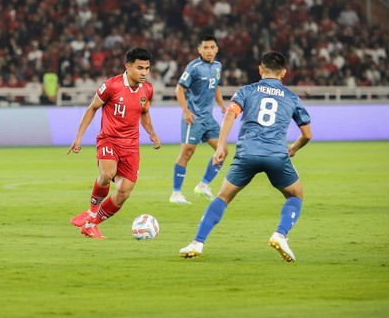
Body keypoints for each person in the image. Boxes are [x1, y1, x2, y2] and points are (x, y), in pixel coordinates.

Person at [179, 51, 312, 262]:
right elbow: (307, 135)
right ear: (284, 73)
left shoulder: (247, 91)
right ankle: (280, 234)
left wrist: (221, 144)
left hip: (247, 153)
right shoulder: (291, 97)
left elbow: (230, 114)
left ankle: (197, 243)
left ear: (260, 69)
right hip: (277, 154)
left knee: (223, 196)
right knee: (295, 196)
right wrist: (293, 148)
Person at [68, 47, 161, 239]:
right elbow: (92, 108)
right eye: (140, 68)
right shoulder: (111, 86)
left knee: (124, 192)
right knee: (108, 173)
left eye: (147, 68)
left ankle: (91, 224)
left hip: (131, 145)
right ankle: (92, 210)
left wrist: (152, 133)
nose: (144, 72)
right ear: (128, 66)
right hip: (109, 139)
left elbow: (144, 112)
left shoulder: (148, 90)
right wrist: (78, 137)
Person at [170, 35, 227, 204]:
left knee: (222, 151)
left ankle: (203, 185)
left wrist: (223, 106)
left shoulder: (218, 66)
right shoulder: (193, 67)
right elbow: (179, 89)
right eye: (206, 48)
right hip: (193, 117)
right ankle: (176, 193)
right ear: (199, 50)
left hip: (208, 119)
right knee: (187, 152)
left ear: (216, 49)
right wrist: (186, 111)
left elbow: (215, 86)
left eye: (212, 47)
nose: (209, 51)